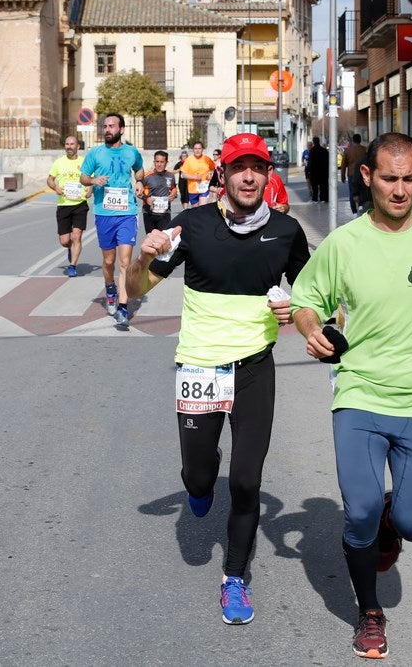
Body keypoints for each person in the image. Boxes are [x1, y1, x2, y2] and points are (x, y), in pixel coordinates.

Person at [290, 132, 412, 660]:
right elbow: (307, 298)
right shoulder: (344, 243)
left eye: (409, 178)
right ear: (367, 176)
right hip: (359, 393)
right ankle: (369, 612)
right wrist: (312, 329)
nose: (400, 190)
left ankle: (391, 520)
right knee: (360, 511)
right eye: (389, 178)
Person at [125, 132, 310, 627]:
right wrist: (141, 255)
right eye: (238, 167)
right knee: (199, 476)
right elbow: (135, 288)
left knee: (247, 481)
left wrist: (301, 311)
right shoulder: (193, 225)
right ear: (221, 174)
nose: (249, 175)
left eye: (258, 167)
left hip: (254, 367)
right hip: (200, 367)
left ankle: (234, 577)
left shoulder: (287, 232)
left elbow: (316, 293)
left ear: (268, 174)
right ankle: (201, 482)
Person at [79, 113, 145, 327]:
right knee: (109, 262)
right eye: (105, 126)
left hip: (127, 211)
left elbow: (140, 170)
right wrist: (93, 180)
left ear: (121, 129)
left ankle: (123, 309)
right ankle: (110, 288)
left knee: (125, 262)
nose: (107, 129)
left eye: (111, 126)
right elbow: (83, 177)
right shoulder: (95, 153)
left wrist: (139, 182)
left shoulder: (131, 152)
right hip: (104, 213)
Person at [47, 135, 91, 278]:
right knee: (65, 240)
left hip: (80, 204)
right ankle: (70, 249)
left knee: (77, 236)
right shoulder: (58, 163)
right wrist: (55, 187)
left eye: (72, 144)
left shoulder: (85, 162)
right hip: (64, 204)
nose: (69, 146)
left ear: (78, 146)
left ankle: (72, 266)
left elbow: (91, 179)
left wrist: (90, 189)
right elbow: (50, 179)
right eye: (67, 144)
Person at [141, 150, 179, 234]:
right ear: (154, 162)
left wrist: (174, 194)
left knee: (163, 240)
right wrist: (146, 198)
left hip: (165, 213)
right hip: (149, 213)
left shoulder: (170, 175)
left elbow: (173, 188)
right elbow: (138, 192)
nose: (159, 164)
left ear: (166, 163)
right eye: (157, 161)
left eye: (162, 162)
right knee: (151, 240)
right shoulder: (147, 176)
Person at [179, 141, 216, 208]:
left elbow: (213, 168)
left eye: (199, 148)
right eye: (195, 149)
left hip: (204, 188)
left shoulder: (207, 159)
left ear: (202, 149)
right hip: (192, 189)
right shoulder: (188, 160)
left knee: (202, 208)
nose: (197, 150)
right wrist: (194, 177)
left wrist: (210, 173)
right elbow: (183, 174)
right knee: (196, 209)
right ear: (193, 150)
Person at [341, 134, 369, 215]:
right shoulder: (364, 149)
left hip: (351, 174)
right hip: (363, 173)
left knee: (352, 192)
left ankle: (354, 211)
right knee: (362, 190)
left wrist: (343, 177)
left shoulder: (348, 151)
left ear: (353, 140)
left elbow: (343, 165)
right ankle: (361, 206)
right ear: (360, 140)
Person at [307, 136, 329, 202]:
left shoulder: (312, 151)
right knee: (323, 186)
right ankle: (324, 198)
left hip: (314, 172)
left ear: (313, 142)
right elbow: (328, 161)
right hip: (323, 172)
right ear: (319, 141)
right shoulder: (324, 151)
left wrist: (309, 172)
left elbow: (310, 162)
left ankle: (315, 199)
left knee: (314, 187)